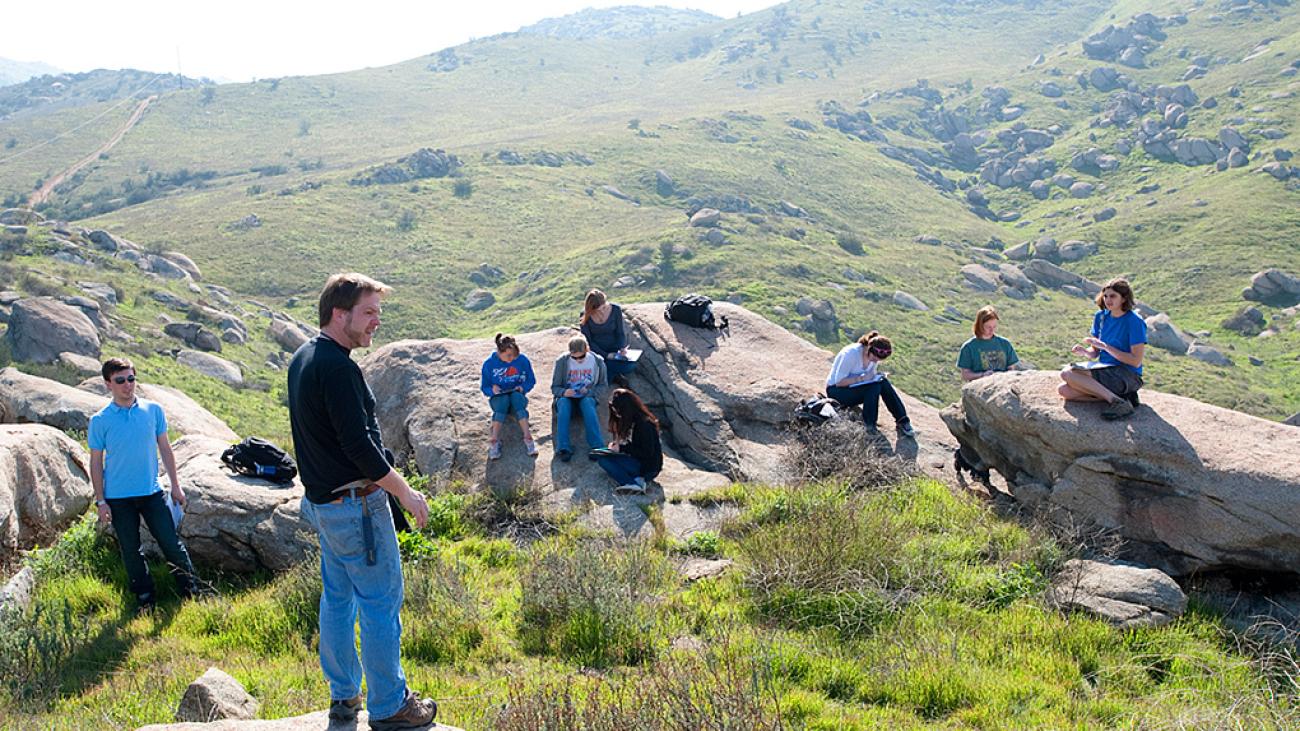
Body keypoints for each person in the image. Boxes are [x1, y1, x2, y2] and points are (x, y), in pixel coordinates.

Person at [287, 272, 436, 730]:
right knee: (378, 603)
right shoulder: (339, 367)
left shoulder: (304, 357)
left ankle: (344, 697)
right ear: (340, 313)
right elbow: (359, 447)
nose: (377, 322)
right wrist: (406, 493)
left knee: (337, 600)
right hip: (357, 507)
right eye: (369, 312)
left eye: (378, 312)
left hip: (326, 505)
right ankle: (390, 705)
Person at [89, 357, 201, 614]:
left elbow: (165, 447)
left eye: (131, 378)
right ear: (108, 384)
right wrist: (101, 500)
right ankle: (145, 598)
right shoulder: (100, 420)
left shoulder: (153, 410)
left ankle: (192, 591)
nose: (128, 385)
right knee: (131, 551)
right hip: (118, 498)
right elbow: (96, 463)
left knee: (171, 544)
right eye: (120, 380)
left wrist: (176, 485)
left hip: (152, 493)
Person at [1058, 277, 1147, 421]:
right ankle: (1122, 398)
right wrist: (1085, 352)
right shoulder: (1101, 317)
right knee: (1064, 391)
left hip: (1128, 375)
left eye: (1113, 296)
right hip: (1104, 369)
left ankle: (1116, 402)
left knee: (1067, 374)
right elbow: (1095, 353)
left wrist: (1106, 347)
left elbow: (1135, 361)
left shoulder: (1134, 322)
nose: (1108, 300)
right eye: (1105, 296)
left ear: (1124, 298)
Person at [825, 331, 916, 438]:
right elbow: (839, 382)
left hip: (853, 389)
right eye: (874, 358)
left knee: (882, 382)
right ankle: (869, 425)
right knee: (873, 387)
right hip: (836, 392)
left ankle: (902, 420)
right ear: (869, 349)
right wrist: (862, 378)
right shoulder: (850, 354)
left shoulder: (874, 356)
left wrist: (875, 377)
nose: (875, 361)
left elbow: (871, 375)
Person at [480, 333, 539, 459]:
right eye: (508, 355)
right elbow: (484, 387)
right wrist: (492, 390)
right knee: (502, 403)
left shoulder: (522, 360)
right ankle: (494, 441)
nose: (512, 358)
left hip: (516, 396)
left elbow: (531, 380)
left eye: (514, 355)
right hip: (499, 398)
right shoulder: (489, 364)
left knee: (517, 399)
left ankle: (528, 438)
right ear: (499, 352)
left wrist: (523, 387)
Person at [550, 335, 607, 462]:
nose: (578, 360)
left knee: (587, 403)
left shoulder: (598, 361)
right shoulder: (562, 362)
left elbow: (603, 386)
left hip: (587, 397)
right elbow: (554, 388)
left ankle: (597, 447)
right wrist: (564, 392)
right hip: (567, 398)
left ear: (587, 350)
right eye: (574, 357)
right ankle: (563, 447)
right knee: (564, 404)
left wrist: (590, 391)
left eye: (581, 357)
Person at [598, 388, 663, 494]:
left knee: (604, 460)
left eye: (619, 412)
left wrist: (622, 448)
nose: (618, 415)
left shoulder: (645, 424)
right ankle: (636, 480)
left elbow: (647, 453)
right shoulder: (634, 422)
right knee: (601, 453)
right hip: (637, 460)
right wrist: (617, 447)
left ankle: (632, 483)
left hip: (648, 468)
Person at [580, 289, 636, 384]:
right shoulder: (585, 315)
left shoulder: (616, 309)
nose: (602, 311)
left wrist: (621, 348)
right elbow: (589, 341)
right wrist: (606, 355)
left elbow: (620, 333)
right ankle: (611, 374)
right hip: (597, 351)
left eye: (604, 308)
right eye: (598, 310)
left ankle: (606, 372)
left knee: (630, 365)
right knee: (598, 363)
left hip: (615, 350)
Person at [958, 306, 1020, 381]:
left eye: (994, 327)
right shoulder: (968, 347)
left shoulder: (1005, 344)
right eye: (988, 327)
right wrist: (982, 375)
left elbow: (1011, 368)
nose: (992, 330)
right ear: (979, 325)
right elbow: (965, 375)